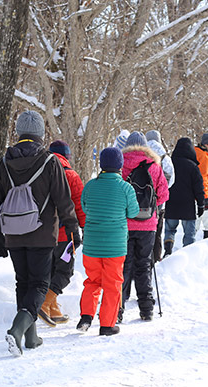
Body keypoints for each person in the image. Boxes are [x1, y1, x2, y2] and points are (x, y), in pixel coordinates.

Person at [0, 110, 80, 356]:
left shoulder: (5, 161)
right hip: (41, 234)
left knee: (23, 282)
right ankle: (17, 331)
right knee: (40, 284)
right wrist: (72, 227)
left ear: (19, 132)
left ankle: (31, 338)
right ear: (40, 134)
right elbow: (63, 199)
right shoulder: (50, 162)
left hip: (13, 234)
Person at [77, 147, 139, 336]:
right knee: (113, 285)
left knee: (92, 281)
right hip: (114, 246)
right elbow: (134, 212)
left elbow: (84, 207)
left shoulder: (90, 186)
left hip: (92, 245)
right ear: (120, 166)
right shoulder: (126, 188)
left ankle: (86, 317)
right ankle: (107, 325)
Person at [120, 132, 169, 322]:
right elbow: (164, 195)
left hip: (125, 223)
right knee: (144, 265)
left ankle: (118, 309)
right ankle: (146, 309)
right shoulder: (154, 166)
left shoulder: (120, 164)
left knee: (124, 265)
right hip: (148, 224)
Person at [37, 140, 86, 326]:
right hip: (65, 233)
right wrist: (83, 226)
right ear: (67, 157)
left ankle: (53, 308)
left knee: (49, 271)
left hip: (43, 233)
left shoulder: (41, 173)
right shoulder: (71, 176)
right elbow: (79, 206)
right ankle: (45, 303)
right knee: (65, 271)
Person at [163, 137, 205, 256]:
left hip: (171, 203)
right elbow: (198, 187)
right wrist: (201, 204)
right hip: (187, 205)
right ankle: (188, 254)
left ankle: (168, 249)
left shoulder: (169, 164)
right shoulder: (192, 166)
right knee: (189, 233)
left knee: (170, 229)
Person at [145, 130, 175, 263]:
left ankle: (142, 254)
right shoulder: (165, 157)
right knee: (157, 228)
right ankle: (155, 256)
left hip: (142, 198)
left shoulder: (142, 153)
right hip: (158, 199)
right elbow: (172, 178)